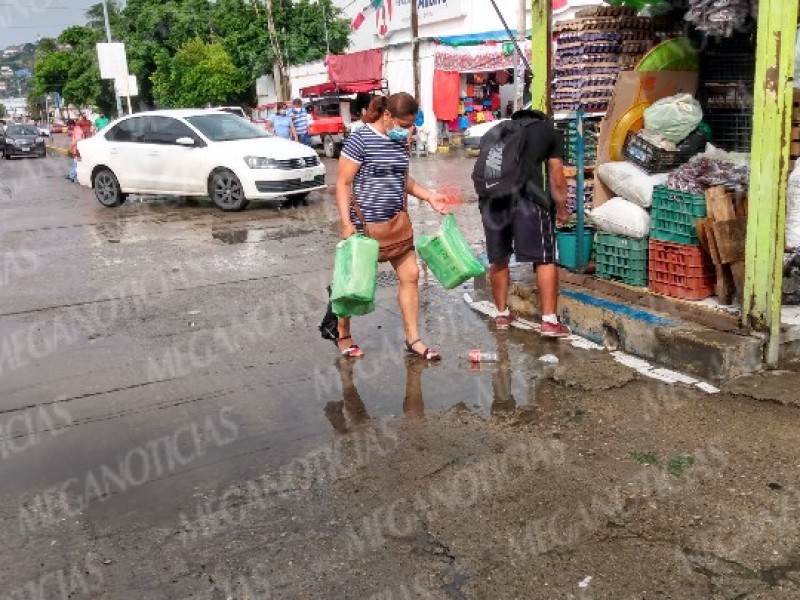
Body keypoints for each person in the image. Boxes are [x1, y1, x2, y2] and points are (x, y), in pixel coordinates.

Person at [335, 93, 449, 359]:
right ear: (387, 116)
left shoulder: (400, 144)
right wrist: (346, 222)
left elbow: (404, 180)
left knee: (411, 275)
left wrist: (430, 196)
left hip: (395, 223)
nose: (408, 130)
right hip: (364, 226)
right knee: (353, 284)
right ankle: (342, 332)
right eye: (404, 124)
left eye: (411, 125)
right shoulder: (360, 140)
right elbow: (342, 183)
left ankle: (413, 339)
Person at [479, 108, 572, 337]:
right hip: (528, 202)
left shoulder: (497, 132)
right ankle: (549, 321)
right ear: (542, 119)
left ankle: (501, 314)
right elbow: (557, 176)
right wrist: (561, 209)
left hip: (492, 203)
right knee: (544, 257)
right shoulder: (549, 132)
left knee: (499, 258)